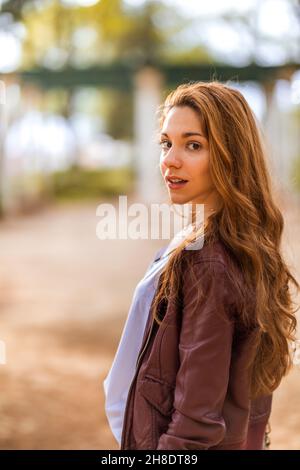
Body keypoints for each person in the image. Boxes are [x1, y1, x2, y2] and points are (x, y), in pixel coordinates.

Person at [103, 80, 299, 450]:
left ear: (231, 156)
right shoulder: (232, 243)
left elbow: (195, 428)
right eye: (166, 143)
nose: (170, 160)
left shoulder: (208, 262)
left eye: (193, 145)